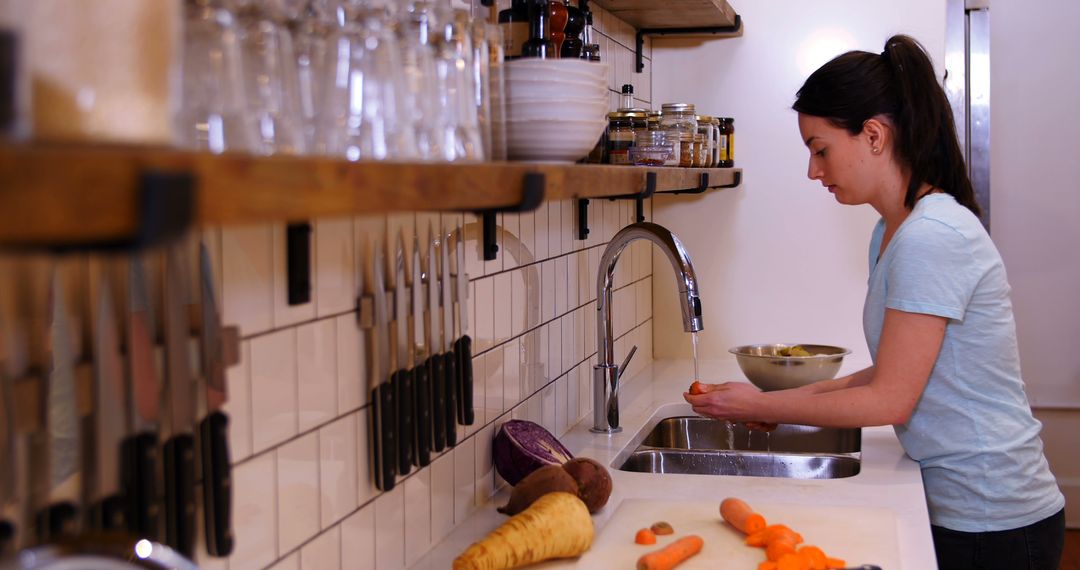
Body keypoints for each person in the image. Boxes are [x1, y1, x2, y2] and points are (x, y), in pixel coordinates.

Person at [683, 35, 1065, 570]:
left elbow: (890, 401)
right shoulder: (893, 230)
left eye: (821, 150)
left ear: (874, 135)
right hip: (967, 507)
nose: (814, 171)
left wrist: (762, 404)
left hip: (994, 519)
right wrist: (789, 403)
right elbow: (894, 373)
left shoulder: (931, 236)